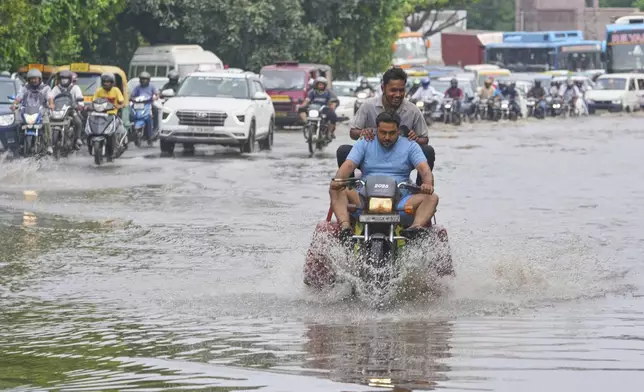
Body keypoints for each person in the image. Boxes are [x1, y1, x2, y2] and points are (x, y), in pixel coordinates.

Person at [330, 111, 438, 243]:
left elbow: (424, 169)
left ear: (398, 131)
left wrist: (428, 184)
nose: (387, 137)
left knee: (432, 198)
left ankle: (415, 228)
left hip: (400, 203)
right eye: (383, 133)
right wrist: (338, 180)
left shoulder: (411, 146)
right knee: (335, 189)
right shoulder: (364, 142)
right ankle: (345, 228)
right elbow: (348, 166)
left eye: (392, 133)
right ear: (376, 130)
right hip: (364, 202)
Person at [338, 67, 435, 185]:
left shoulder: (413, 110)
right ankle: (350, 188)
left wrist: (416, 139)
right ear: (383, 88)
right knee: (343, 151)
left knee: (428, 151)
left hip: (401, 160)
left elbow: (425, 139)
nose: (398, 95)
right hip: (371, 158)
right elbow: (353, 132)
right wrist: (362, 132)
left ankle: (420, 189)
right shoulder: (368, 106)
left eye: (401, 90)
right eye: (393, 90)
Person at [11, 69, 53, 154]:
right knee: (18, 123)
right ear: (28, 79)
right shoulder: (25, 87)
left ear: (39, 79)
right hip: (27, 111)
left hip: (41, 111)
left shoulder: (45, 88)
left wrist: (51, 104)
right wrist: (14, 104)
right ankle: (18, 143)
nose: (33, 80)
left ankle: (49, 145)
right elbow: (19, 97)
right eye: (31, 78)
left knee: (46, 123)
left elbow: (50, 97)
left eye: (35, 78)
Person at [92, 72, 128, 157]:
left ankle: (116, 147)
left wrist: (118, 106)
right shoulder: (99, 91)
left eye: (108, 82)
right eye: (104, 82)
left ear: (112, 83)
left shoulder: (116, 90)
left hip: (112, 116)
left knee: (115, 131)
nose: (106, 83)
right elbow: (93, 102)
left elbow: (122, 103)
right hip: (99, 115)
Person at [48, 70, 84, 149]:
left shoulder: (75, 88)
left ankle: (77, 139)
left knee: (78, 121)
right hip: (58, 110)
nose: (64, 80)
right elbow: (50, 97)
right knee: (46, 122)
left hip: (71, 110)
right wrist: (51, 103)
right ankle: (47, 143)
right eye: (62, 78)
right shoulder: (56, 88)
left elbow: (80, 99)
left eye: (66, 78)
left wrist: (79, 106)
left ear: (70, 79)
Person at [130, 71, 160, 136]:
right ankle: (130, 129)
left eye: (145, 79)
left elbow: (156, 94)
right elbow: (132, 95)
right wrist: (132, 98)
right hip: (139, 104)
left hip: (149, 103)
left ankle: (155, 127)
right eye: (141, 79)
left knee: (155, 109)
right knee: (131, 112)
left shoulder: (151, 86)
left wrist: (155, 97)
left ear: (148, 80)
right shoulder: (137, 87)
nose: (143, 81)